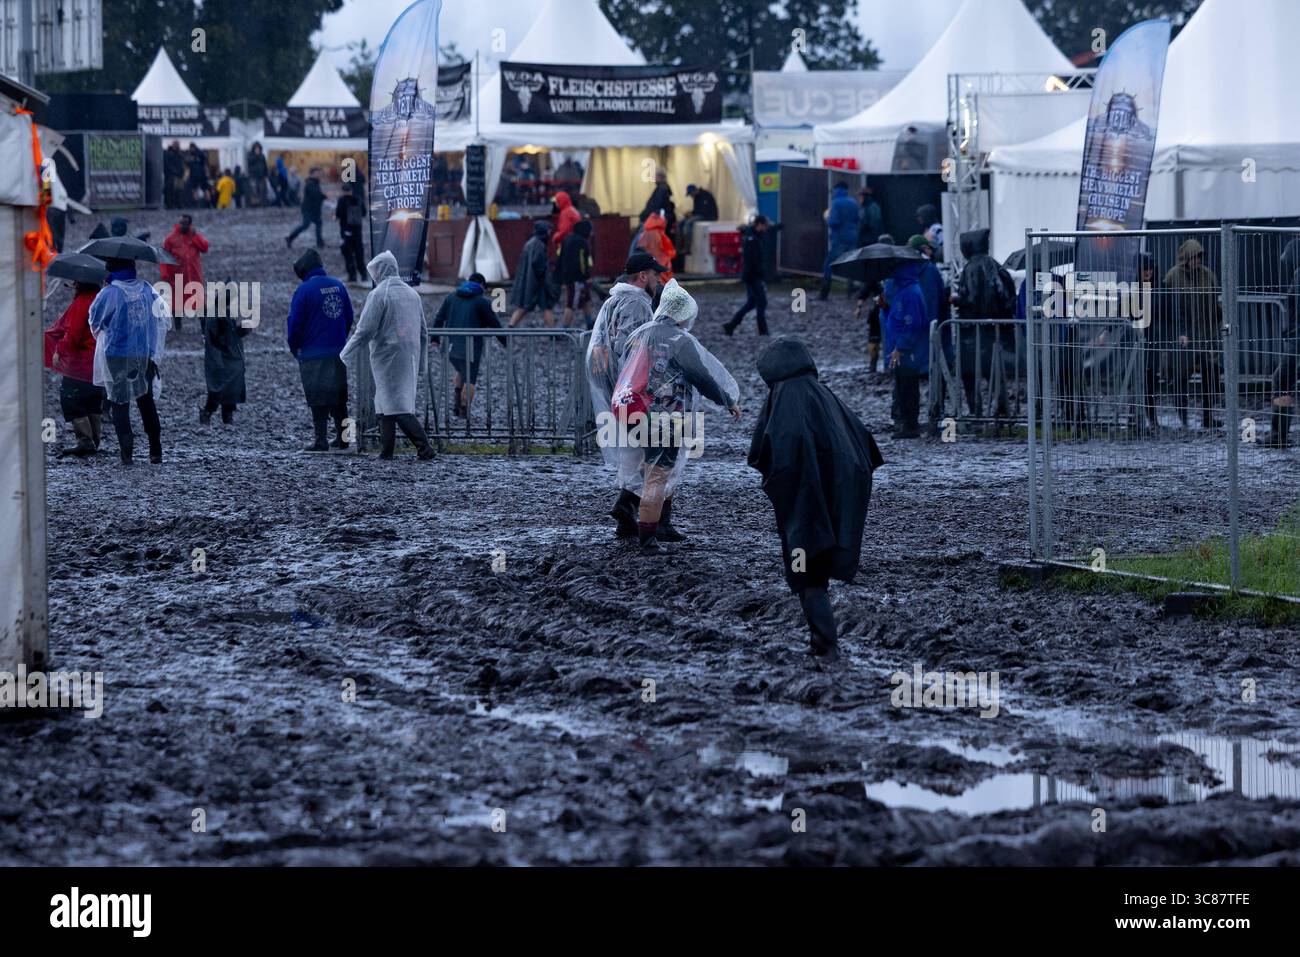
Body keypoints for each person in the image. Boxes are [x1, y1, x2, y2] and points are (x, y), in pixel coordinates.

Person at [747, 337, 884, 658]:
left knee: (807, 570)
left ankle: (825, 644)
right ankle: (822, 642)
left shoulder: (782, 399)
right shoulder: (824, 394)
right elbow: (864, 442)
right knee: (814, 568)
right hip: (835, 490)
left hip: (805, 497)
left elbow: (768, 451)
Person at [611, 279, 740, 552]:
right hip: (664, 417)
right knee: (658, 475)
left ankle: (660, 524)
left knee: (653, 469)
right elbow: (702, 376)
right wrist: (727, 400)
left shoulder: (642, 333)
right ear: (684, 314)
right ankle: (648, 538)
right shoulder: (681, 340)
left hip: (631, 408)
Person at [587, 252, 666, 537]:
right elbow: (632, 348)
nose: (659, 279)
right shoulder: (636, 303)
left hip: (616, 388)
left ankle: (626, 517)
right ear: (643, 276)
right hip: (629, 389)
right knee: (646, 450)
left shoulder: (614, 300)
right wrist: (636, 387)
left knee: (632, 449)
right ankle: (627, 505)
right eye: (655, 274)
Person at [341, 251, 436, 461]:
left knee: (396, 405)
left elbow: (364, 330)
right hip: (409, 355)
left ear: (378, 271)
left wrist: (345, 355)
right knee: (384, 404)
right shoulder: (412, 294)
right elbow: (423, 331)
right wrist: (421, 364)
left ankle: (424, 447)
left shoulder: (378, 295)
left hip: (387, 356)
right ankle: (387, 452)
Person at [88, 257, 169, 466]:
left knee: (120, 403)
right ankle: (155, 451)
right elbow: (161, 318)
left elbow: (95, 320)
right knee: (146, 401)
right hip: (143, 355)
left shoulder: (109, 292)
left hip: (117, 355)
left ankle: (127, 454)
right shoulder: (147, 289)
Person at [287, 248, 354, 452]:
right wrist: (340, 337)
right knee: (340, 396)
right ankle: (345, 438)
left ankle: (321, 439)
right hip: (338, 350)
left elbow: (294, 324)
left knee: (318, 398)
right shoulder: (338, 285)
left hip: (312, 353)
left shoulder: (304, 290)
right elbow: (349, 315)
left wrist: (295, 347)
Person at [951, 228, 1016, 419]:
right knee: (994, 371)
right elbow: (1008, 297)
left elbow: (972, 298)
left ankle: (976, 411)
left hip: (974, 331)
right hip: (995, 330)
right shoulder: (996, 266)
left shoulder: (972, 268)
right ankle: (1001, 409)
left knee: (970, 373)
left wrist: (957, 300)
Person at [1164, 238, 1222, 430]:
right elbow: (1168, 306)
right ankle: (1183, 419)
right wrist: (1178, 332)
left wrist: (1219, 324)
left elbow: (1216, 302)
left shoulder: (1208, 275)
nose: (1197, 260)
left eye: (1199, 256)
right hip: (1183, 338)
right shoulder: (1173, 276)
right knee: (1180, 378)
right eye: (1194, 257)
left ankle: (1208, 416)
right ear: (1185, 258)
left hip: (1206, 334)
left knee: (1211, 375)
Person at [432, 272, 505, 417]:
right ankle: (464, 411)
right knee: (470, 379)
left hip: (450, 347)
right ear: (481, 286)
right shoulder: (481, 301)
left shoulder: (451, 297)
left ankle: (456, 407)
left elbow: (439, 318)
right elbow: (495, 324)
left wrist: (435, 338)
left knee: (460, 371)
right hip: (470, 348)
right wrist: (506, 342)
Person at [45, 280, 106, 456]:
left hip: (81, 363)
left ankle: (85, 440)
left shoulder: (82, 302)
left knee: (70, 398)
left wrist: (60, 351)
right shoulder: (101, 299)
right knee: (94, 400)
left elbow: (73, 333)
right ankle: (95, 437)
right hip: (100, 361)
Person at [883, 255, 930, 438]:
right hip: (902, 349)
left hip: (908, 351)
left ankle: (910, 426)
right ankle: (906, 423)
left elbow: (912, 324)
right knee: (903, 386)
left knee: (908, 387)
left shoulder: (909, 293)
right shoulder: (905, 291)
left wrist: (900, 347)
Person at [1263, 239, 1300, 447]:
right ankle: (1279, 434)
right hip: (1295, 337)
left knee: (1282, 380)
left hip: (1297, 340)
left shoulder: (1299, 275)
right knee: (1283, 380)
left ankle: (1278, 434)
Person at [199, 288, 250, 426]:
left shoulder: (222, 313)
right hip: (220, 357)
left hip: (228, 357)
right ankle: (207, 413)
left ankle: (227, 415)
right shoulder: (216, 315)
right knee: (218, 388)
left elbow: (229, 335)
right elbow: (218, 338)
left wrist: (241, 330)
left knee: (231, 386)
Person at [161, 214, 209, 332]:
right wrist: (165, 274)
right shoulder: (170, 239)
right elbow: (164, 257)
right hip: (176, 276)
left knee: (199, 303)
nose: (182, 225)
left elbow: (205, 247)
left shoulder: (193, 237)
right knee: (176, 302)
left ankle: (205, 327)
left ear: (189, 225)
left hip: (193, 276)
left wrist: (195, 236)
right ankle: (178, 327)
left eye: (185, 223)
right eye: (181, 223)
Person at [725, 215, 770, 336]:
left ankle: (731, 325)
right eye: (765, 225)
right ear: (759, 224)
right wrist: (759, 274)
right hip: (753, 276)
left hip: (751, 276)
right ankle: (763, 330)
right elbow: (752, 260)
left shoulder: (752, 236)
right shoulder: (752, 239)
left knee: (752, 303)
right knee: (761, 302)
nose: (766, 228)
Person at [508, 220, 556, 328]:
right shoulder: (539, 245)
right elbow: (538, 264)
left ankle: (510, 326)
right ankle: (554, 333)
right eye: (548, 230)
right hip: (538, 283)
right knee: (545, 307)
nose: (550, 232)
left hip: (531, 281)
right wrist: (546, 277)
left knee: (525, 306)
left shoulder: (531, 243)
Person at [819, 181, 860, 300]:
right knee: (850, 264)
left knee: (829, 265)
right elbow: (857, 219)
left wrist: (827, 219)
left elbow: (833, 222)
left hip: (839, 238)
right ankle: (850, 292)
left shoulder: (836, 203)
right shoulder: (853, 202)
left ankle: (824, 293)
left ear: (837, 190)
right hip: (853, 237)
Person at [557, 219, 595, 328]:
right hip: (578, 278)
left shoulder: (567, 239)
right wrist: (586, 276)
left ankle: (589, 323)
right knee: (572, 303)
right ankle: (564, 329)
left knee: (585, 300)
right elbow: (582, 262)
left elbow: (561, 257)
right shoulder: (582, 242)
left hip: (569, 276)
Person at [335, 182, 367, 283]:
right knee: (359, 254)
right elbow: (364, 213)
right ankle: (363, 275)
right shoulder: (358, 199)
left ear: (343, 191)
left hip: (346, 232)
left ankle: (352, 276)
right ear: (351, 190)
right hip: (357, 232)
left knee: (348, 254)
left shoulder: (341, 200)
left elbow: (338, 214)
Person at [286, 167, 325, 248]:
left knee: (318, 224)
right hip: (308, 209)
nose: (319, 175)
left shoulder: (315, 182)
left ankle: (320, 242)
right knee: (305, 225)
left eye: (319, 173)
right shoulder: (310, 183)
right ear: (312, 174)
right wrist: (324, 196)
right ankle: (290, 237)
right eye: (317, 173)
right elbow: (316, 194)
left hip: (314, 209)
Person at [678, 183, 718, 255]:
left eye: (691, 194)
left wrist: (692, 214)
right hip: (701, 215)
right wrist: (691, 213)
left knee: (688, 223)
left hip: (708, 216)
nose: (691, 196)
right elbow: (698, 210)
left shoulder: (705, 195)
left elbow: (704, 211)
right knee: (681, 223)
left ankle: (687, 247)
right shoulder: (697, 197)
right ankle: (680, 246)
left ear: (694, 191)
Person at [638, 211, 676, 282]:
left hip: (649, 264)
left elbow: (639, 248)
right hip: (662, 264)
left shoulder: (644, 233)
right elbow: (670, 251)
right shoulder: (660, 234)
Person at [40, 156, 68, 253]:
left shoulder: (46, 162)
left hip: (54, 207)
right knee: (58, 239)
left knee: (53, 238)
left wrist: (42, 202)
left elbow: (46, 190)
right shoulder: (47, 161)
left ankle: (54, 258)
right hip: (60, 206)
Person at [639, 167, 676, 240]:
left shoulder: (662, 189)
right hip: (659, 219)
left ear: (659, 176)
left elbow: (656, 205)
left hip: (657, 220)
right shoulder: (664, 188)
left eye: (654, 176)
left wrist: (646, 215)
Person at [185, 143, 210, 208]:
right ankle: (205, 204)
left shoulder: (195, 154)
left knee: (202, 189)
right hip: (198, 174)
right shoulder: (200, 154)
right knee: (200, 189)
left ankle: (206, 203)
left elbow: (188, 164)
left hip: (198, 174)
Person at [164, 141, 186, 210]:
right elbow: (167, 165)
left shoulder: (178, 153)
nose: (178, 146)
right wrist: (175, 172)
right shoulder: (169, 153)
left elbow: (181, 163)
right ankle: (171, 205)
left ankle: (178, 204)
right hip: (172, 175)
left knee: (179, 191)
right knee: (171, 190)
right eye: (177, 144)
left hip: (179, 175)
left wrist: (181, 172)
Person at [246, 143, 268, 208]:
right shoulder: (250, 155)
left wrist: (266, 174)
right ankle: (254, 204)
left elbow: (265, 165)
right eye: (256, 148)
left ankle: (262, 204)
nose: (257, 149)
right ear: (254, 149)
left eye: (258, 148)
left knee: (262, 190)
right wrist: (256, 156)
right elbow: (250, 162)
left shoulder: (262, 156)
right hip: (253, 176)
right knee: (254, 190)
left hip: (261, 176)